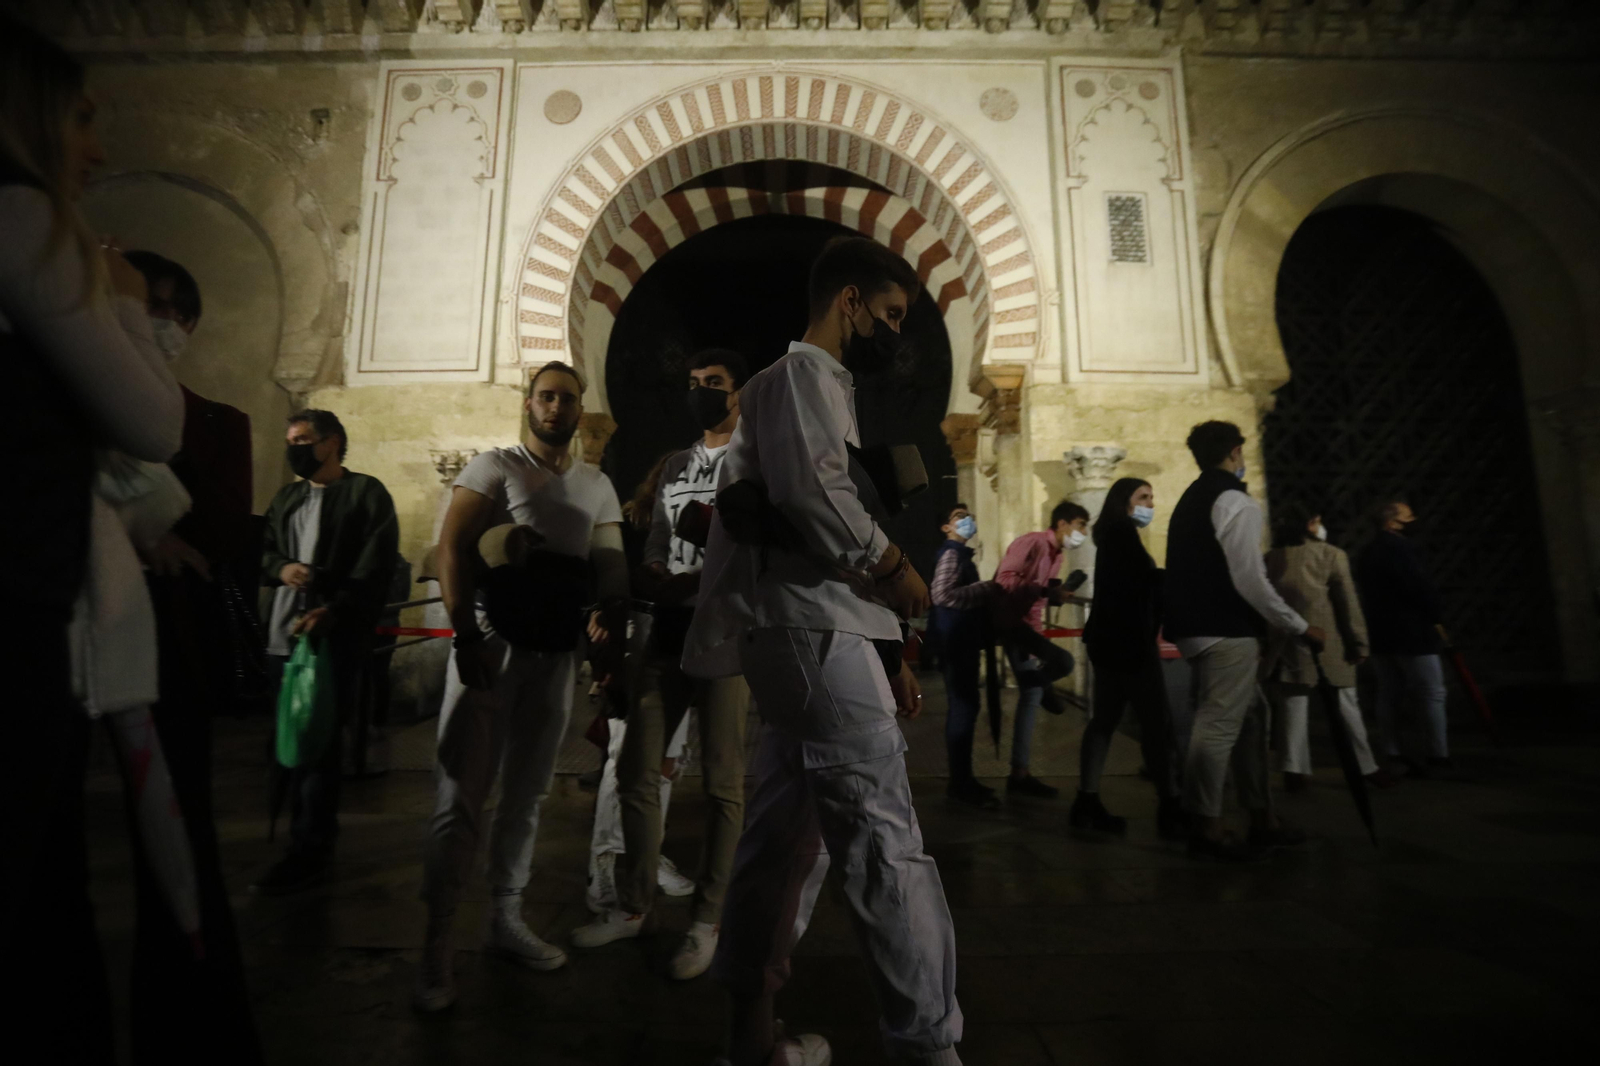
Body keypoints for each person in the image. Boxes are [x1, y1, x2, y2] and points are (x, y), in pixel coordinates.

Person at [683, 236, 963, 1066]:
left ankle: (750, 1038)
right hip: (814, 636)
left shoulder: (811, 388)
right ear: (849, 300)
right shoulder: (800, 378)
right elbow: (818, 496)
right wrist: (897, 566)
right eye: (890, 314)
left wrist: (888, 650)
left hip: (811, 634)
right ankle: (929, 1048)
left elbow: (798, 517)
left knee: (780, 844)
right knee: (883, 841)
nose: (895, 332)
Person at [2, 19, 186, 1060]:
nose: (98, 147)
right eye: (78, 116)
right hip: (23, 612)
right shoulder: (21, 215)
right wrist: (127, 308)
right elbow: (153, 427)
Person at [416, 361, 628, 1012]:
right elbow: (450, 548)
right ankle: (436, 944)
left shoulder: (595, 485)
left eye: (567, 398)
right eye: (546, 396)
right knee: (462, 793)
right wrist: (464, 636)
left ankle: (505, 917)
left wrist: (611, 619)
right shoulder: (495, 467)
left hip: (554, 656)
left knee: (528, 793)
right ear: (530, 404)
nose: (556, 407)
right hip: (494, 647)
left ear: (581, 409)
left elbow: (610, 564)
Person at [123, 250, 263, 1061]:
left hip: (176, 643)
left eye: (181, 309)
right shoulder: (82, 399)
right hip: (87, 629)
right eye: (152, 303)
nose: (167, 320)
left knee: (179, 826)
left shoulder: (216, 421)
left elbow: (223, 529)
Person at [575, 349, 753, 982]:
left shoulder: (755, 461)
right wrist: (653, 570)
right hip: (667, 630)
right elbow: (656, 535)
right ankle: (635, 907)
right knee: (636, 770)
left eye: (714, 383)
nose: (701, 391)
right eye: (694, 383)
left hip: (725, 632)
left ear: (738, 393)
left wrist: (698, 583)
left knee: (723, 782)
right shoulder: (678, 464)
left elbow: (754, 551)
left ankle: (707, 919)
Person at [1163, 421, 1325, 861]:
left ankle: (1261, 817)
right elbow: (1250, 579)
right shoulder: (1235, 500)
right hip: (1226, 628)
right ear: (1235, 451)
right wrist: (1299, 626)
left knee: (1252, 717)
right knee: (1217, 726)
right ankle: (1207, 827)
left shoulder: (1192, 498)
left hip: (1198, 627)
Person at [255, 409, 399, 893]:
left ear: (332, 442)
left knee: (317, 744)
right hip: (283, 637)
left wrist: (335, 609)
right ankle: (299, 835)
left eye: (302, 439)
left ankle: (309, 848)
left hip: (330, 639)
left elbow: (374, 566)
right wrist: (281, 569)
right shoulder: (288, 498)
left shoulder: (365, 494)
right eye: (290, 440)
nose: (293, 448)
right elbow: (264, 549)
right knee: (287, 741)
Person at [1078, 478, 1185, 838]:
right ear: (1123, 500)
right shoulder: (1121, 533)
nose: (1150, 504)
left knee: (1104, 721)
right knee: (1155, 725)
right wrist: (1170, 578)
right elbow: (1138, 582)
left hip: (1110, 641)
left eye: (1151, 497)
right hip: (1130, 644)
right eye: (1143, 497)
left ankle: (1086, 800)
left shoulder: (1112, 534)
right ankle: (1170, 804)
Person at [1263, 504, 1392, 792]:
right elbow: (1347, 602)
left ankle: (1294, 769)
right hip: (1329, 643)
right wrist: (1359, 642)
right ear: (1310, 523)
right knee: (1346, 706)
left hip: (1287, 641)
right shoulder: (1331, 555)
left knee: (1293, 706)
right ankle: (1364, 766)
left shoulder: (1271, 558)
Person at [991, 501, 1087, 799]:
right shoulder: (1031, 542)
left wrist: (1054, 596)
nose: (1083, 533)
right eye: (1081, 525)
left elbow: (1039, 600)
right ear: (1062, 523)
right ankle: (1044, 687)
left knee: (1031, 695)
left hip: (1028, 627)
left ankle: (1019, 774)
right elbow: (1005, 580)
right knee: (1064, 661)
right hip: (1010, 624)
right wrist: (1045, 590)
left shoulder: (1057, 556)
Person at [1354, 497, 1451, 774]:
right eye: (1407, 517)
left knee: (1389, 692)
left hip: (1381, 632)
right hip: (1413, 633)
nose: (1413, 521)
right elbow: (1419, 587)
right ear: (1392, 522)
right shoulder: (1402, 550)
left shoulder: (1367, 552)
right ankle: (1438, 754)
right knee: (1432, 693)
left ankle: (1392, 750)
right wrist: (1436, 616)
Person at [927, 503, 1001, 809]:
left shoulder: (959, 554)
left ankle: (964, 779)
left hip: (961, 641)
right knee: (962, 709)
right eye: (959, 517)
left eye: (968, 515)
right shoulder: (951, 553)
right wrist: (986, 589)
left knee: (966, 708)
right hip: (956, 643)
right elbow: (941, 594)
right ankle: (960, 784)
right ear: (946, 527)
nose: (967, 520)